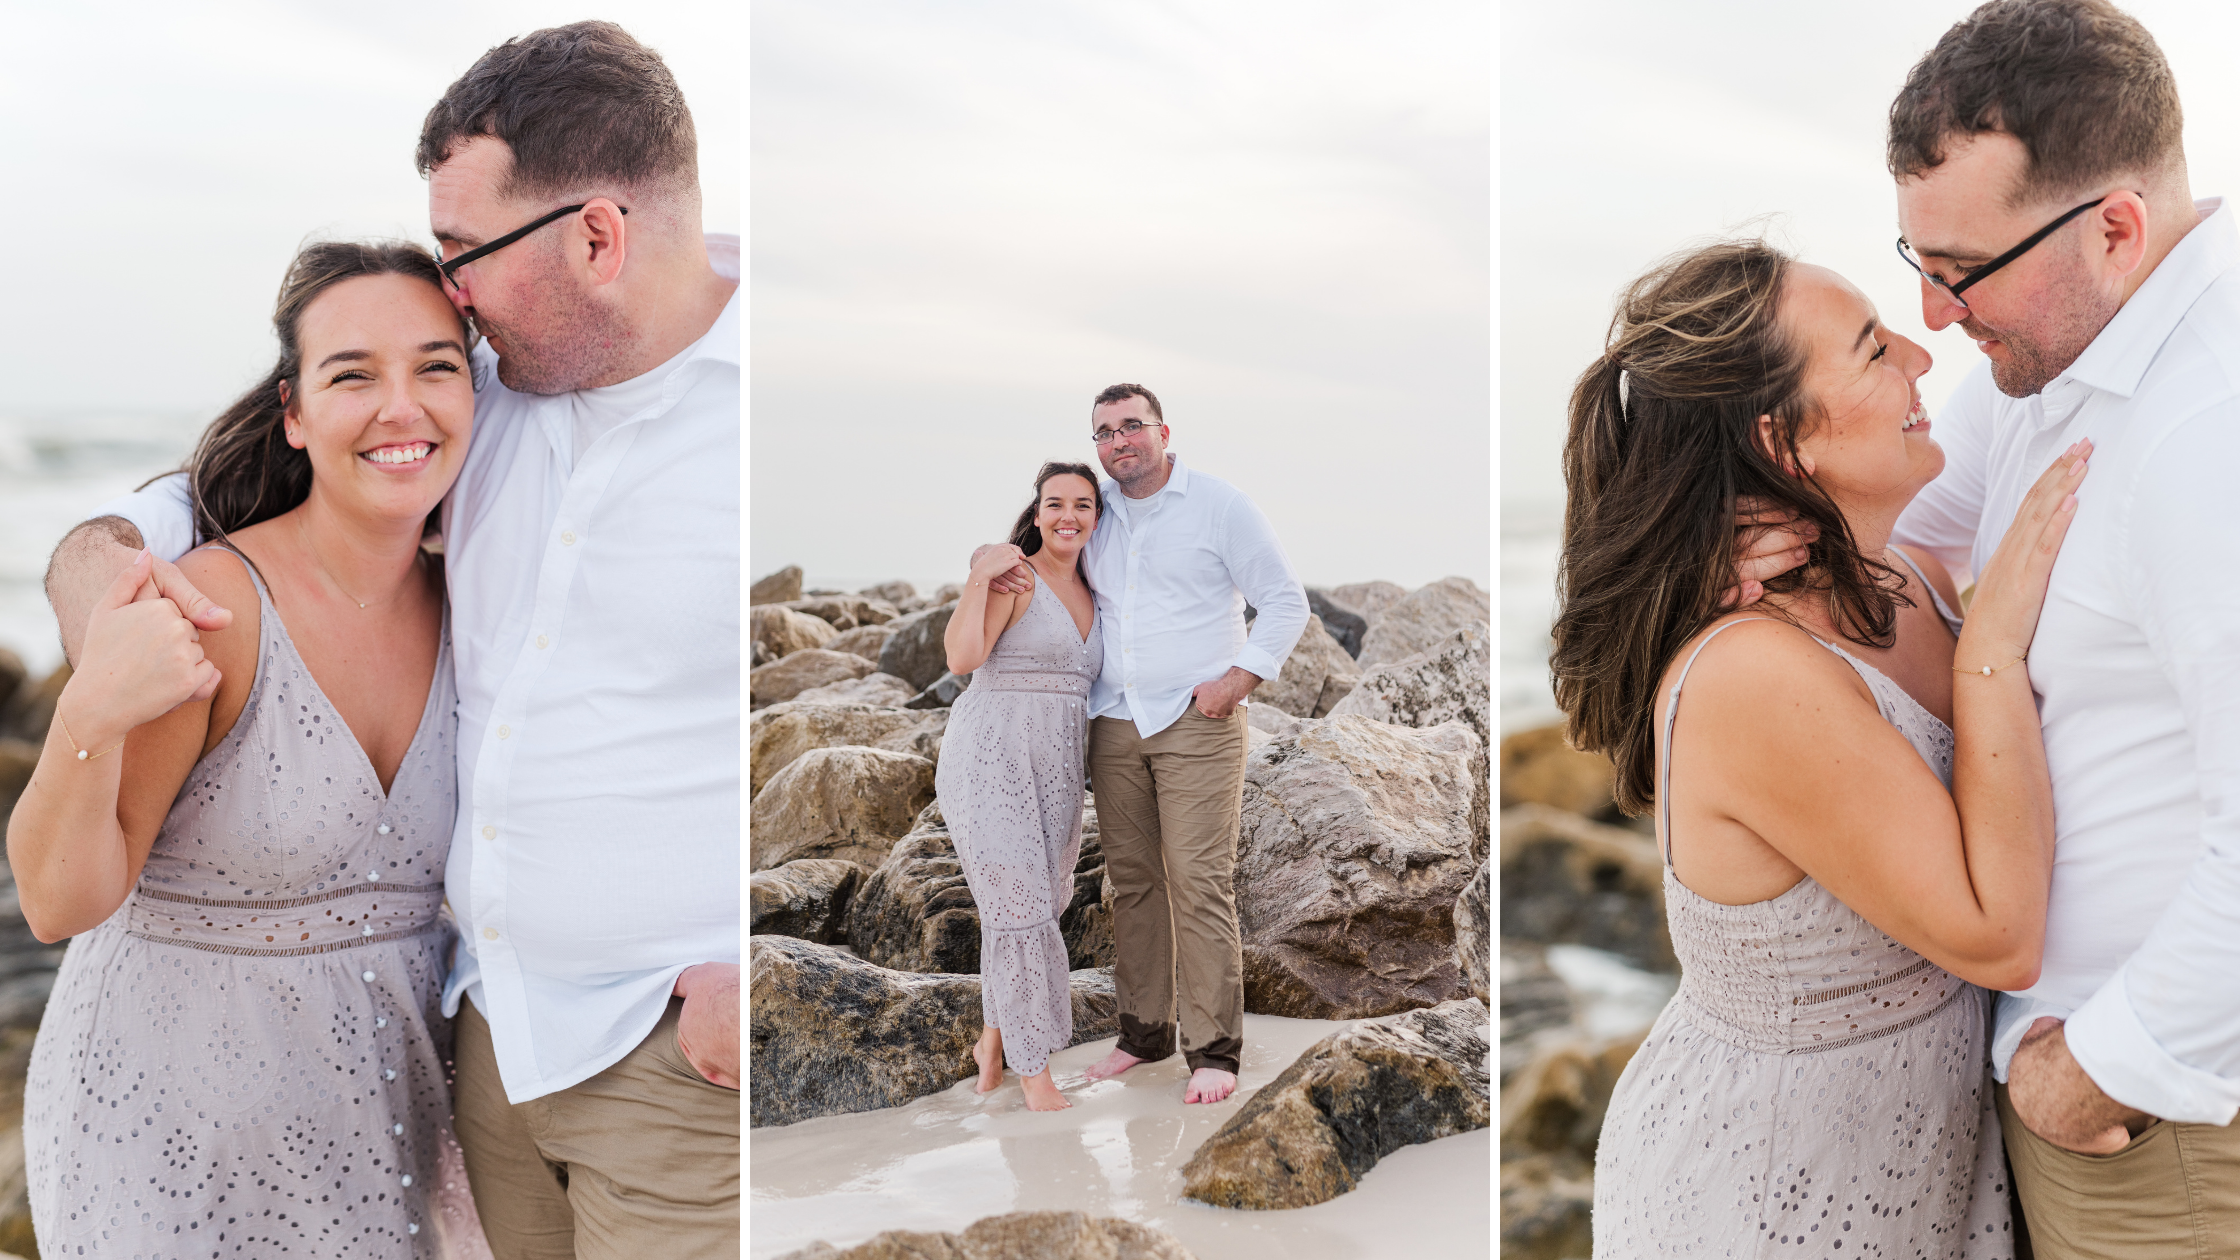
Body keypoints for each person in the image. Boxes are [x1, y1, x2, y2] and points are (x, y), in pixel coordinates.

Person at [43, 22, 741, 1259]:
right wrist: (101, 593)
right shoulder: (494, 379)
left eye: (464, 253)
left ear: (595, 237)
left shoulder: (740, 414)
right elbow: (218, 484)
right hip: (461, 1059)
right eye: (442, 253)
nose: (450, 293)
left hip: (662, 1059)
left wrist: (762, 961)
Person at [1723, 2, 2240, 1250]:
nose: (1937, 316)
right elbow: (1900, 529)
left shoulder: (2200, 431)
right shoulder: (2066, 362)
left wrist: (2106, 1063)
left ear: (2115, 228)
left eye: (1958, 272)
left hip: (2159, 1124)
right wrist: (1741, 537)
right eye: (1917, 264)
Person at [1552, 238, 2086, 1258]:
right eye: (1870, 348)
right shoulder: (1755, 673)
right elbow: (1993, 933)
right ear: (1783, 439)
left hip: (1917, 1157)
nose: (1919, 356)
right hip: (1767, 1188)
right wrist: (1990, 650)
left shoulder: (1908, 581)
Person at [11, 242, 492, 1255]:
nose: (400, 406)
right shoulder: (218, 609)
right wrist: (88, 714)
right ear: (295, 412)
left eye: (435, 366)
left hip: (388, 1125)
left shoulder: (481, 609)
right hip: (166, 1129)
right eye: (352, 374)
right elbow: (60, 901)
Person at [985, 383, 1309, 1105]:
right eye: (1104, 432)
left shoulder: (1220, 506)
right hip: (1113, 720)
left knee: (1199, 880)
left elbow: (1286, 599)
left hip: (1200, 718)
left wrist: (1239, 678)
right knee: (1131, 884)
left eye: (1131, 426)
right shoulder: (1093, 508)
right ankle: (1143, 1034)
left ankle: (1214, 1050)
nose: (1118, 441)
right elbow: (1041, 548)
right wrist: (991, 559)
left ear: (1163, 431)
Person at [939, 462, 1105, 1112]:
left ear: (1096, 517)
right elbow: (960, 659)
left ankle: (992, 1043)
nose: (1068, 515)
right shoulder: (1015, 578)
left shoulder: (1098, 587)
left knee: (1040, 902)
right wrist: (980, 574)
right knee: (1020, 911)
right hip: (989, 757)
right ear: (1036, 514)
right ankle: (1035, 1077)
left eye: (1083, 505)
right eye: (1055, 503)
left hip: (1058, 767)